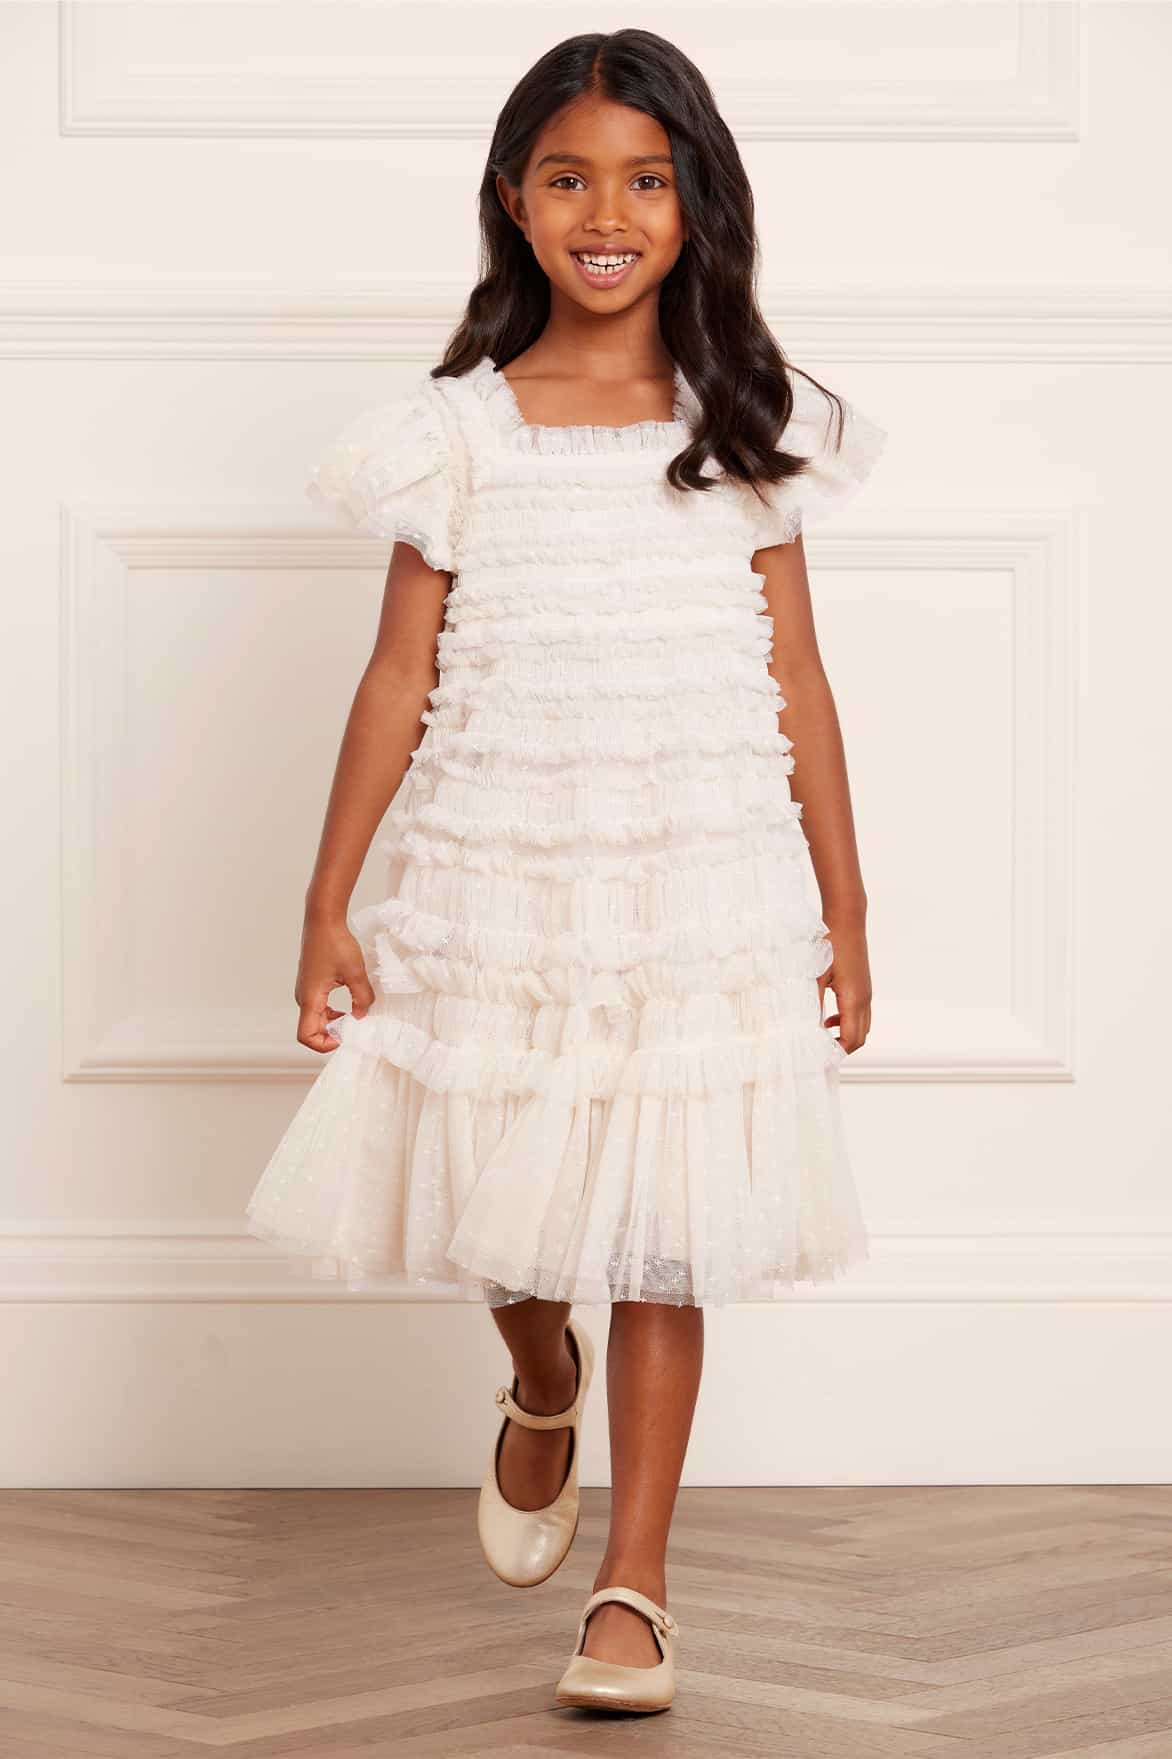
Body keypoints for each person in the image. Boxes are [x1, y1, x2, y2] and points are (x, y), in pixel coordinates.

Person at [246, 26, 886, 1716]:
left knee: (667, 1232)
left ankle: (635, 1584)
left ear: (697, 203)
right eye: (570, 178)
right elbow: (397, 676)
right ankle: (542, 1380)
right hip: (506, 870)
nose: (609, 213)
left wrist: (846, 903)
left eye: (647, 180)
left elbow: (798, 675)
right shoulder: (453, 436)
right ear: (515, 202)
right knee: (512, 1212)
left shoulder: (745, 429)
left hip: (698, 877)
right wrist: (325, 902)